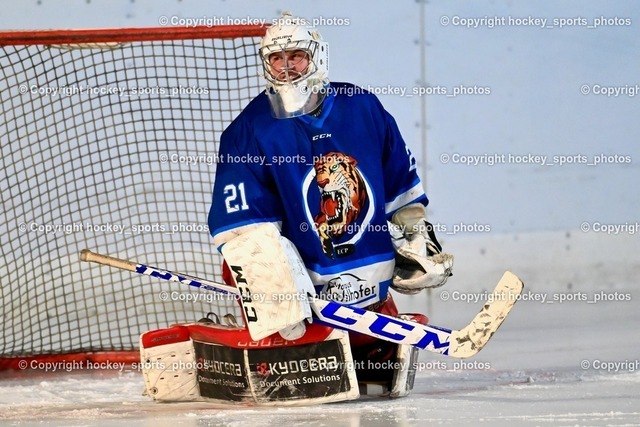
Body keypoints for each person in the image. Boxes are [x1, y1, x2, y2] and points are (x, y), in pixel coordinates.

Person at [208, 12, 453, 396]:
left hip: (368, 298)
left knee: (374, 327)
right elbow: (241, 228)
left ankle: (372, 337)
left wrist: (418, 239)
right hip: (306, 308)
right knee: (251, 250)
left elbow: (401, 188)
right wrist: (277, 294)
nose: (286, 67)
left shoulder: (362, 107)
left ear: (317, 56)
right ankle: (284, 343)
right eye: (276, 58)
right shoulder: (247, 132)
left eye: (296, 56)